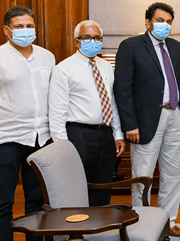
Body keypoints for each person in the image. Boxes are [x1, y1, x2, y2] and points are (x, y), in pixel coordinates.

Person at [0, 6, 55, 241]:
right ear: (6, 30)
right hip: (3, 141)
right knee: (3, 203)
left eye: (29, 26)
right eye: (19, 26)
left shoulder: (47, 56)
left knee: (36, 200)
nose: (25, 30)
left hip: (40, 139)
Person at [114, 2, 180, 237]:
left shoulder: (176, 47)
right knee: (142, 176)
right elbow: (122, 88)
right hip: (145, 120)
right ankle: (141, 224)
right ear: (147, 22)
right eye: (160, 21)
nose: (164, 26)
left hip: (175, 115)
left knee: (175, 173)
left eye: (168, 22)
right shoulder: (131, 46)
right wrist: (130, 124)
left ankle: (168, 222)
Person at [48, 20, 126, 206]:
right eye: (87, 37)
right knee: (75, 188)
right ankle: (76, 232)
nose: (93, 41)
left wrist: (118, 134)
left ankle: (99, 231)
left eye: (97, 38)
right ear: (76, 41)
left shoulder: (106, 66)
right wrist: (62, 147)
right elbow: (56, 112)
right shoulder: (63, 69)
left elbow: (112, 102)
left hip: (105, 134)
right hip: (78, 134)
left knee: (103, 186)